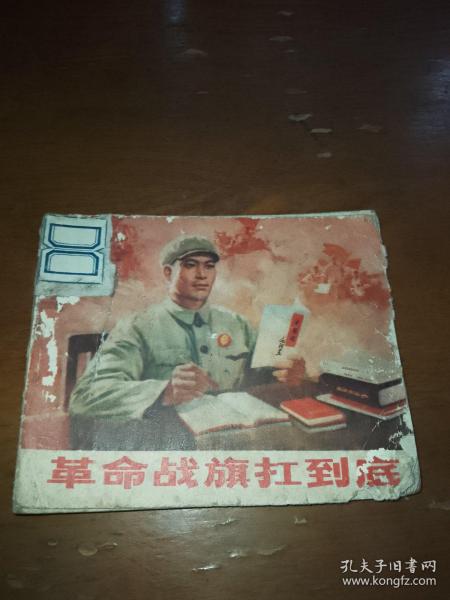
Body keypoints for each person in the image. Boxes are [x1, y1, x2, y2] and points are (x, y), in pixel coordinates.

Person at [69, 236, 305, 447]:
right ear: (168, 273)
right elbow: (86, 396)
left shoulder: (237, 324)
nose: (202, 275)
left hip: (236, 440)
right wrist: (163, 391)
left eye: (209, 266)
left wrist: (287, 373)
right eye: (190, 265)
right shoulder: (136, 326)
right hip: (168, 442)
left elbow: (260, 377)